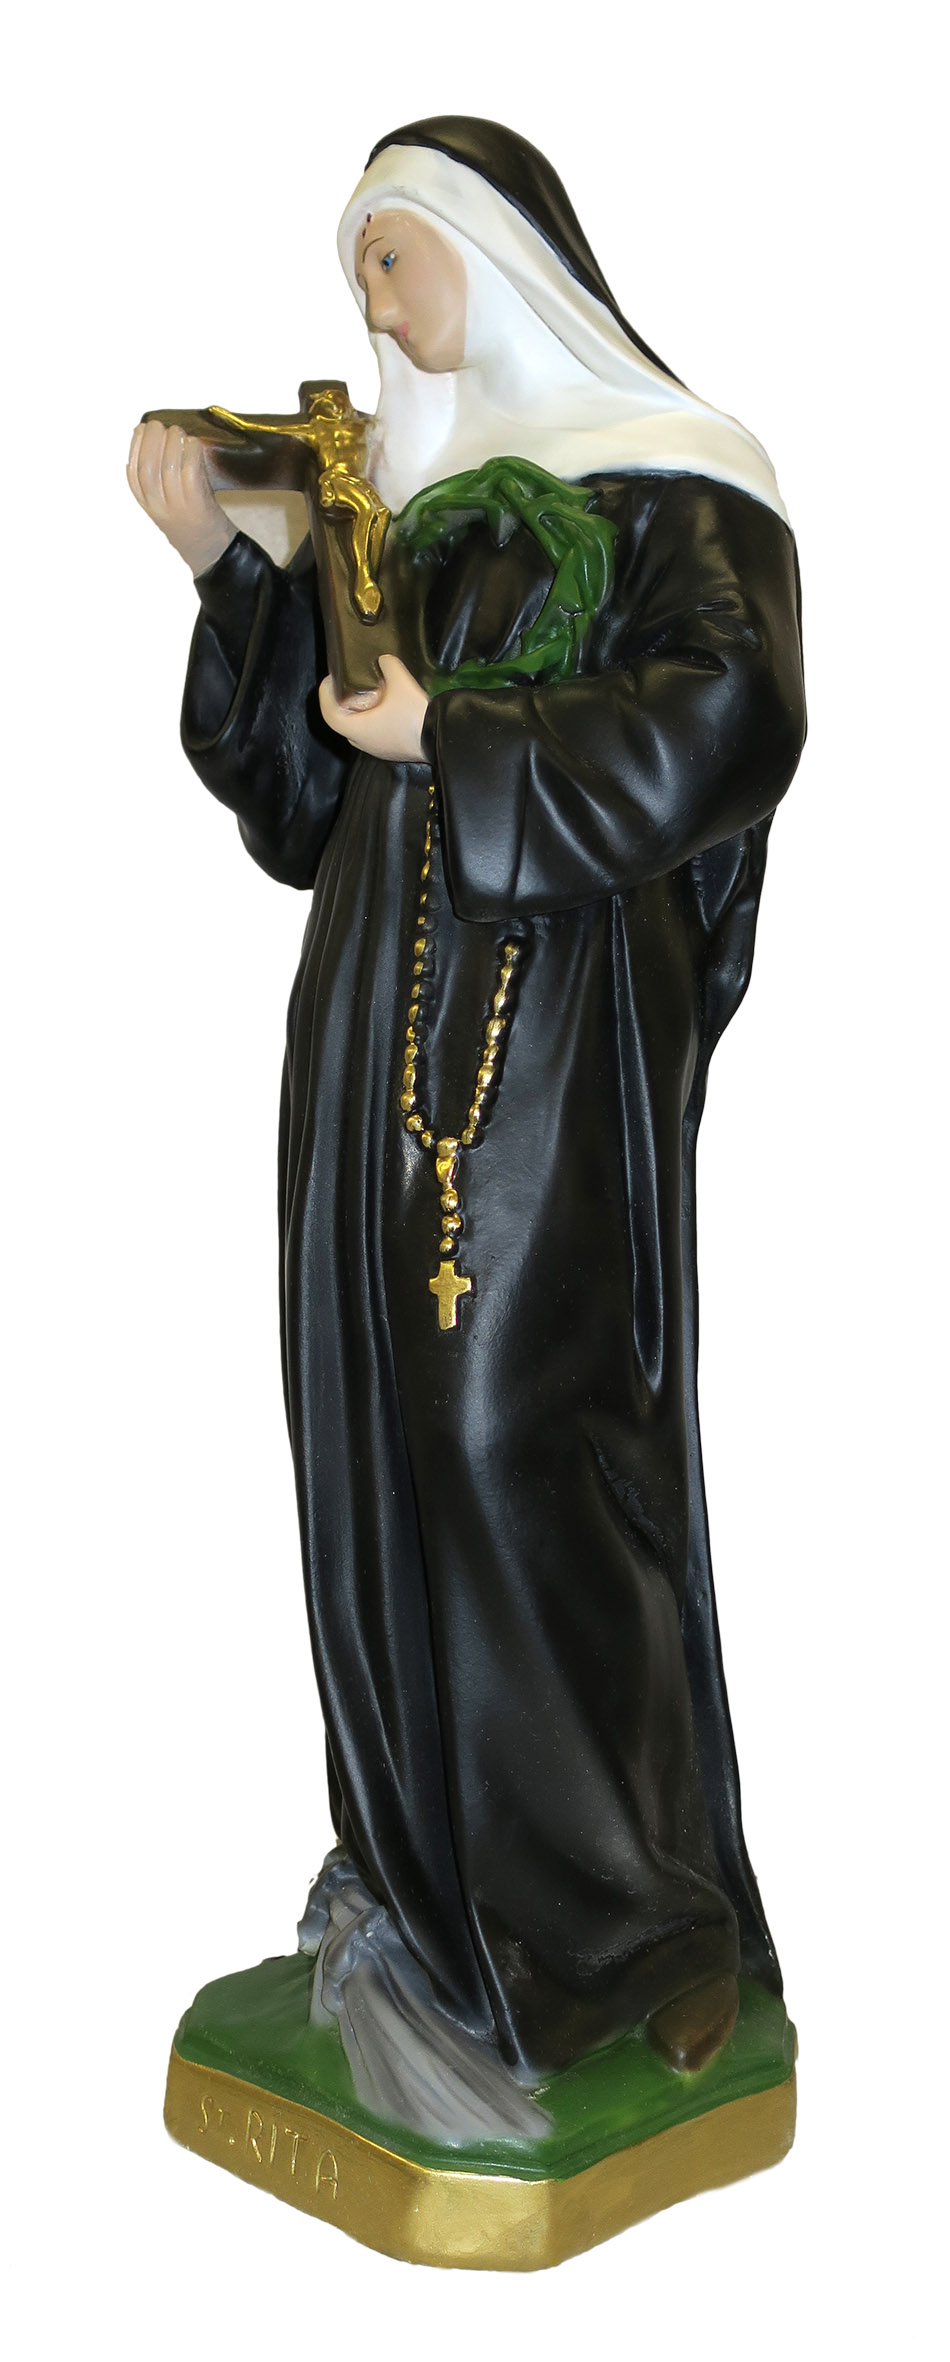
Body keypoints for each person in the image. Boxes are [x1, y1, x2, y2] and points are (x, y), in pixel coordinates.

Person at [128, 117, 805, 2134]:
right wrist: (227, 572)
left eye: (391, 259)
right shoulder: (400, 518)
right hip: (369, 1039)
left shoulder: (681, 477)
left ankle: (642, 1934)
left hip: (551, 1044)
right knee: (378, 1438)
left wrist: (466, 732)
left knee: (526, 1434)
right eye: (359, 272)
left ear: (493, 257)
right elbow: (305, 806)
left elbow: (731, 716)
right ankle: (433, 1896)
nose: (372, 304)